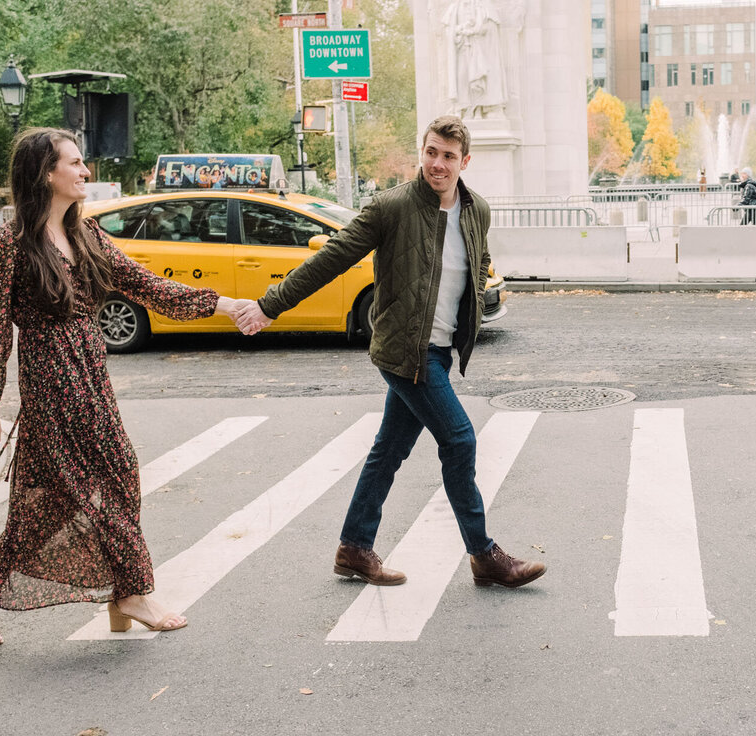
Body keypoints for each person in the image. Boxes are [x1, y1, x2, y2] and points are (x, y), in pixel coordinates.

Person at [234, 115, 545, 590]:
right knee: (460, 440)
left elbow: (479, 258)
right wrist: (270, 306)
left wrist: (475, 294)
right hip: (404, 351)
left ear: (465, 161)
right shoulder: (392, 207)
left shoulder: (475, 209)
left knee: (388, 451)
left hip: (440, 351)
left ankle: (354, 548)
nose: (437, 164)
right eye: (431, 153)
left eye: (447, 156)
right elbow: (332, 257)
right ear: (421, 152)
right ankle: (485, 556)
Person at [0, 129, 241, 646]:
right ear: (46, 172)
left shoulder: (86, 234)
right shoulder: (4, 244)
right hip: (49, 380)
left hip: (92, 373)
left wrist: (221, 305)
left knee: (59, 499)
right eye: (75, 164)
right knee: (102, 480)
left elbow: (145, 284)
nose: (86, 172)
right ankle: (131, 591)